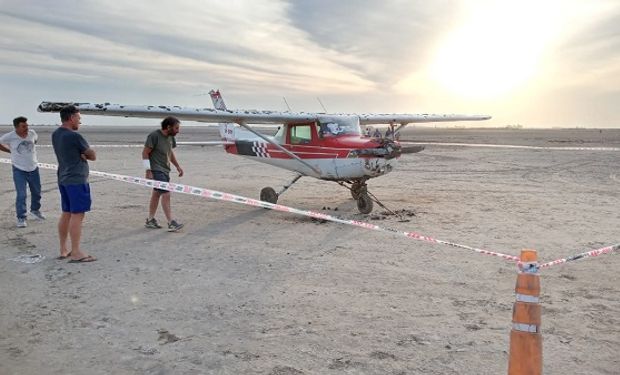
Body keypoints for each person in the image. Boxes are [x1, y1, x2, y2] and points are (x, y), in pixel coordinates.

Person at [51, 105, 97, 263]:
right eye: (78, 117)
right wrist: (84, 154)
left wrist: (82, 154)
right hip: (76, 179)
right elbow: (92, 155)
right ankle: (76, 251)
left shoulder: (56, 134)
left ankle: (64, 249)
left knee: (67, 213)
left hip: (63, 177)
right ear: (71, 118)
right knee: (78, 214)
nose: (80, 120)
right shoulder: (74, 136)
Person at [0, 116, 45, 227]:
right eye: (23, 126)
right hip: (19, 169)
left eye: (27, 125)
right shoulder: (10, 137)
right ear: (16, 127)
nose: (26, 128)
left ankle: (35, 210)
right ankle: (21, 217)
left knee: (37, 192)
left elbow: (35, 141)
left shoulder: (32, 133)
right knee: (21, 194)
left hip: (34, 168)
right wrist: (9, 151)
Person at [142, 116, 184, 232]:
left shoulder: (171, 138)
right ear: (168, 127)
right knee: (166, 193)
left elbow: (170, 153)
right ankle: (171, 222)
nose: (178, 131)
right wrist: (148, 171)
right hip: (156, 170)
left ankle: (150, 220)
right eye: (176, 128)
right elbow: (145, 153)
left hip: (165, 170)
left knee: (156, 194)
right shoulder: (154, 136)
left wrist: (177, 166)